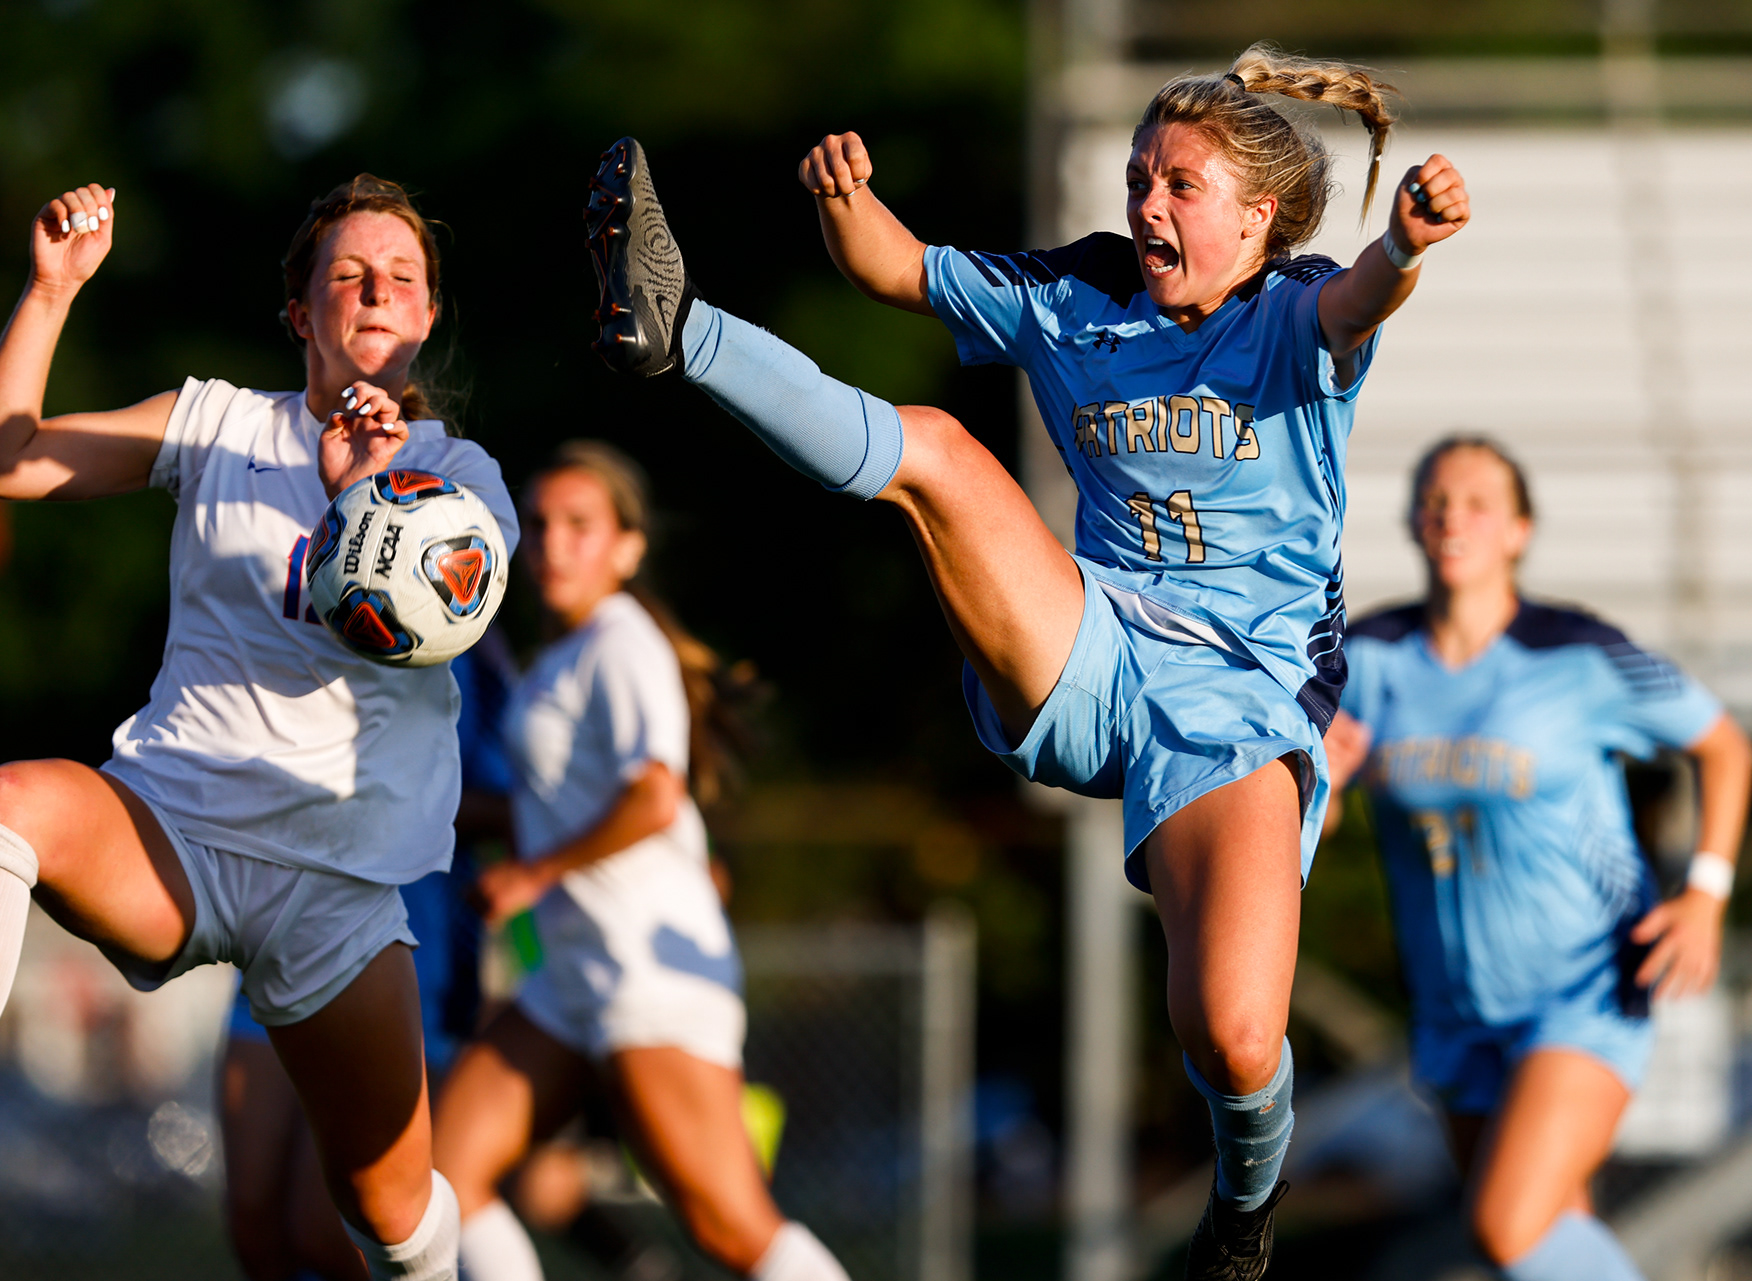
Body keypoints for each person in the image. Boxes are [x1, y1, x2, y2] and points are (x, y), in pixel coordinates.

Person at [584, 42, 1471, 1278]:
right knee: (937, 452)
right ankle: (683, 334)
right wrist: (846, 202)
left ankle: (1245, 1207)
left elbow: (1363, 295)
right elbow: (896, 270)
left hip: (1242, 712)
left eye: (1180, 185)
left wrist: (1409, 243)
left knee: (1229, 1036)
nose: (1146, 204)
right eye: (1138, 176)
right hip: (1090, 647)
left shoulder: (1293, 307)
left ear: (1259, 218)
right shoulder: (1077, 296)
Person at [0, 174, 516, 1281]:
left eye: (402, 277)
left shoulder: (463, 480)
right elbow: (1, 460)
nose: (376, 293)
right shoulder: (217, 422)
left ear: (429, 314)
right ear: (302, 313)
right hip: (177, 835)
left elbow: (422, 628)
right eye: (347, 275)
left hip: (336, 886)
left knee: (388, 1218)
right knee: (12, 799)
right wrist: (52, 289)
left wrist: (365, 489)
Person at [1324, 437, 1751, 1281]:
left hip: (1584, 986)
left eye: (1478, 502)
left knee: (1504, 1224)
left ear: (1519, 530)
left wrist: (1704, 891)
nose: (1453, 516)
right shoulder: (1365, 659)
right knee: (1549, 1234)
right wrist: (1324, 786)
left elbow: (1723, 745)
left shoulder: (1576, 655)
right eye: (1437, 499)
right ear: (1413, 520)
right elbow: (1310, 819)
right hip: (1454, 1006)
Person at [431, 441, 843, 1281]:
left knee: (734, 1229)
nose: (552, 544)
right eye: (539, 524)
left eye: (581, 525)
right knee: (448, 1174)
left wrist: (534, 874)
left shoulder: (622, 641)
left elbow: (655, 796)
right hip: (571, 976)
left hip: (643, 972)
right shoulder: (560, 658)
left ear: (628, 546)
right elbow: (550, 806)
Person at [217, 637, 517, 1281]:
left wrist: (385, 794)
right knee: (255, 1225)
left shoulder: (477, 652)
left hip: (411, 960)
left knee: (333, 1233)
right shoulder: (312, 604)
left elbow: (520, 809)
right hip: (277, 938)